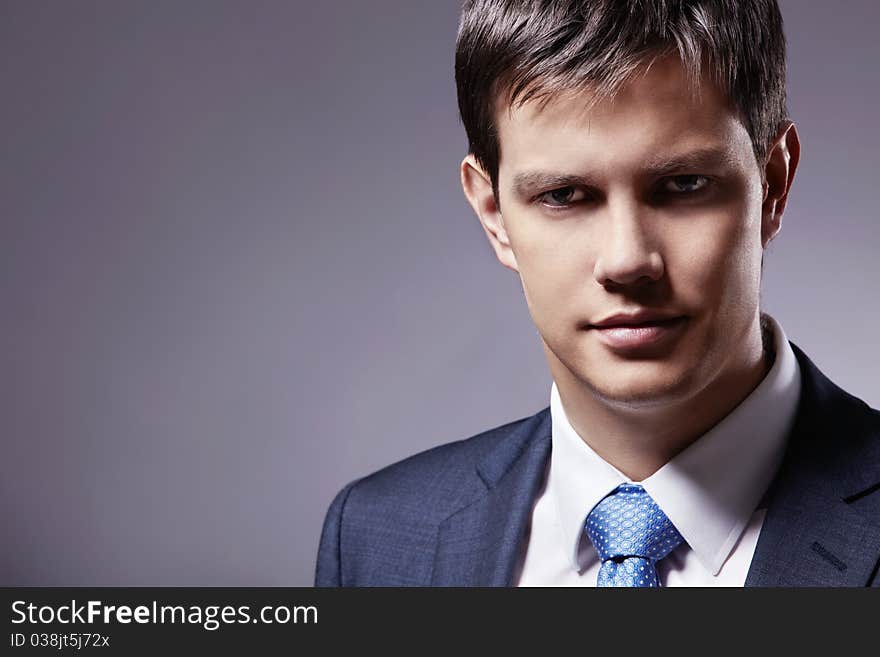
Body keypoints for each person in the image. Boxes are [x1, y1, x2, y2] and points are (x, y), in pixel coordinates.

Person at [315, 0, 880, 586]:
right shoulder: (374, 540)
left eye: (684, 184)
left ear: (774, 185)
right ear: (493, 214)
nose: (628, 260)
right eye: (563, 195)